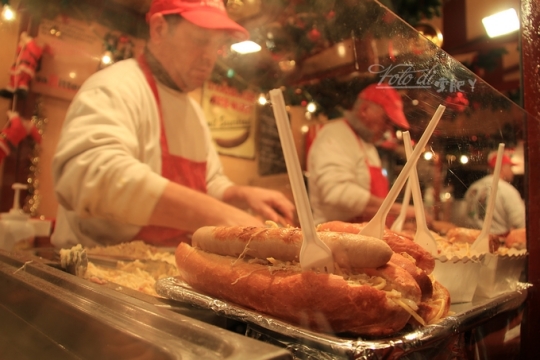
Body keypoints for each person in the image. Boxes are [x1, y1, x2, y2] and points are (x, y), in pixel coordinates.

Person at [51, 0, 295, 249]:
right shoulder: (116, 87)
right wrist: (222, 216)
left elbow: (209, 183)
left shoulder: (194, 113)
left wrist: (240, 195)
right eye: (201, 40)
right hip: (95, 266)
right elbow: (88, 174)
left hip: (164, 267)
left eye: (218, 46)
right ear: (158, 29)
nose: (210, 58)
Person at [307, 83, 415, 225]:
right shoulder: (335, 135)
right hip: (335, 237)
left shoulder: (367, 145)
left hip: (365, 234)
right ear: (364, 110)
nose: (388, 129)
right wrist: (399, 210)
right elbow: (337, 194)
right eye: (386, 120)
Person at [464, 151, 525, 235]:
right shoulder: (507, 189)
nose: (512, 172)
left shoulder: (473, 187)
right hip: (499, 243)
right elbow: (521, 222)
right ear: (502, 168)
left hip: (473, 241)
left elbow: (467, 218)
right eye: (510, 167)